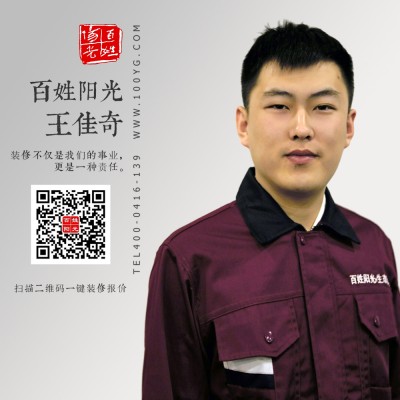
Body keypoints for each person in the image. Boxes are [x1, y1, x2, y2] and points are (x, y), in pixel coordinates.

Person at [142, 21, 400, 399]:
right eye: (280, 106)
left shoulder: (373, 247)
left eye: (323, 107)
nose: (301, 128)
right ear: (244, 124)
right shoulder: (188, 260)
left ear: (348, 126)